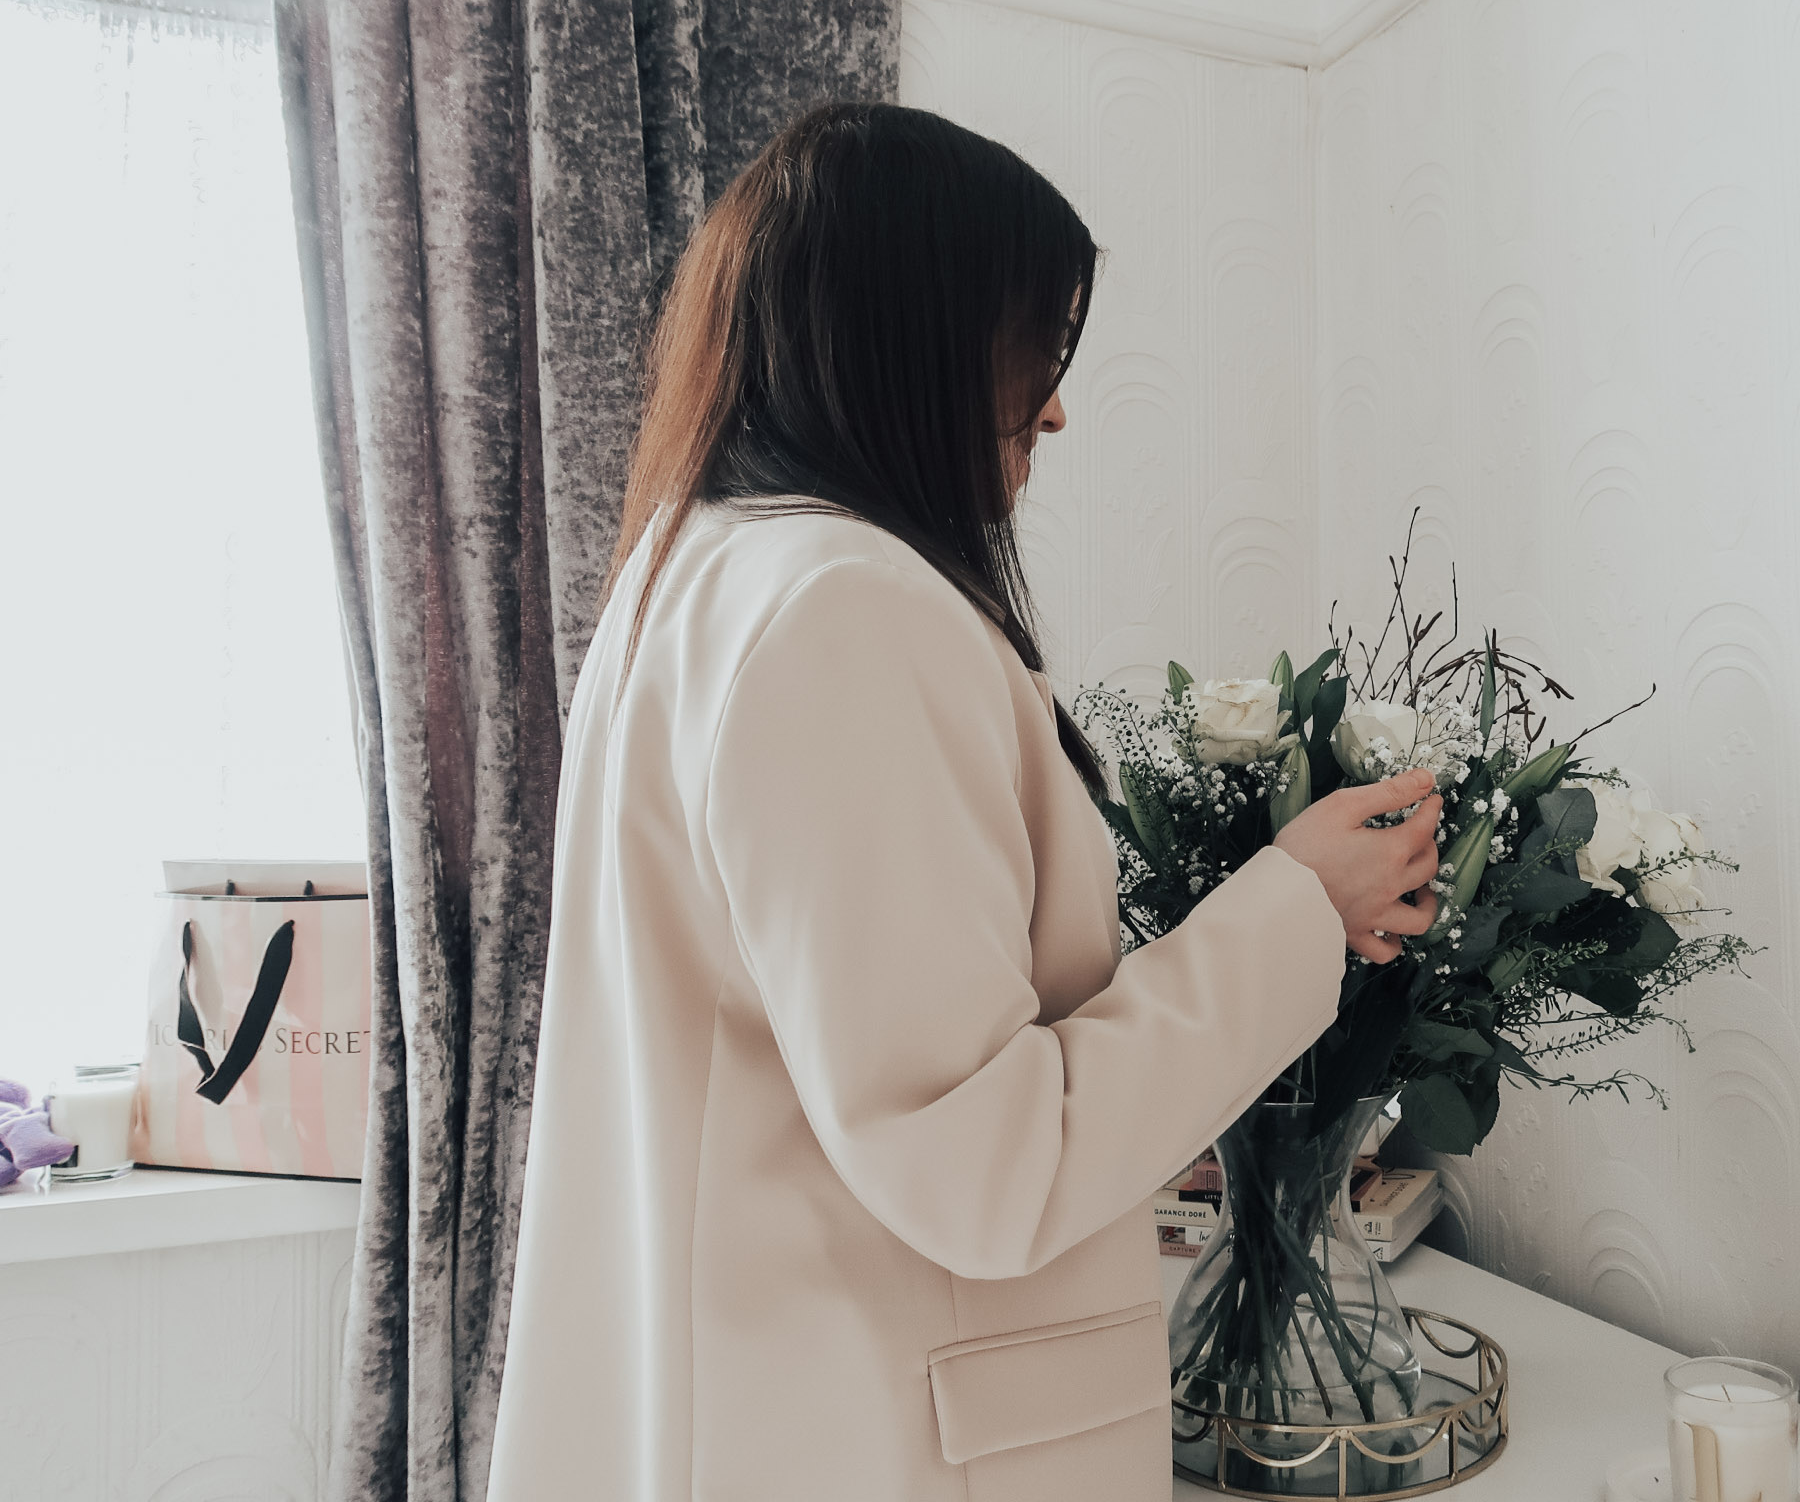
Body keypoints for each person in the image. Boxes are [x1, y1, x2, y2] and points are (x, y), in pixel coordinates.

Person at [486, 102, 1445, 1502]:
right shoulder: (840, 614)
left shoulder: (689, 580)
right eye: (1033, 349)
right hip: (871, 1440)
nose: (1054, 404)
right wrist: (1300, 906)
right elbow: (983, 1160)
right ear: (907, 335)